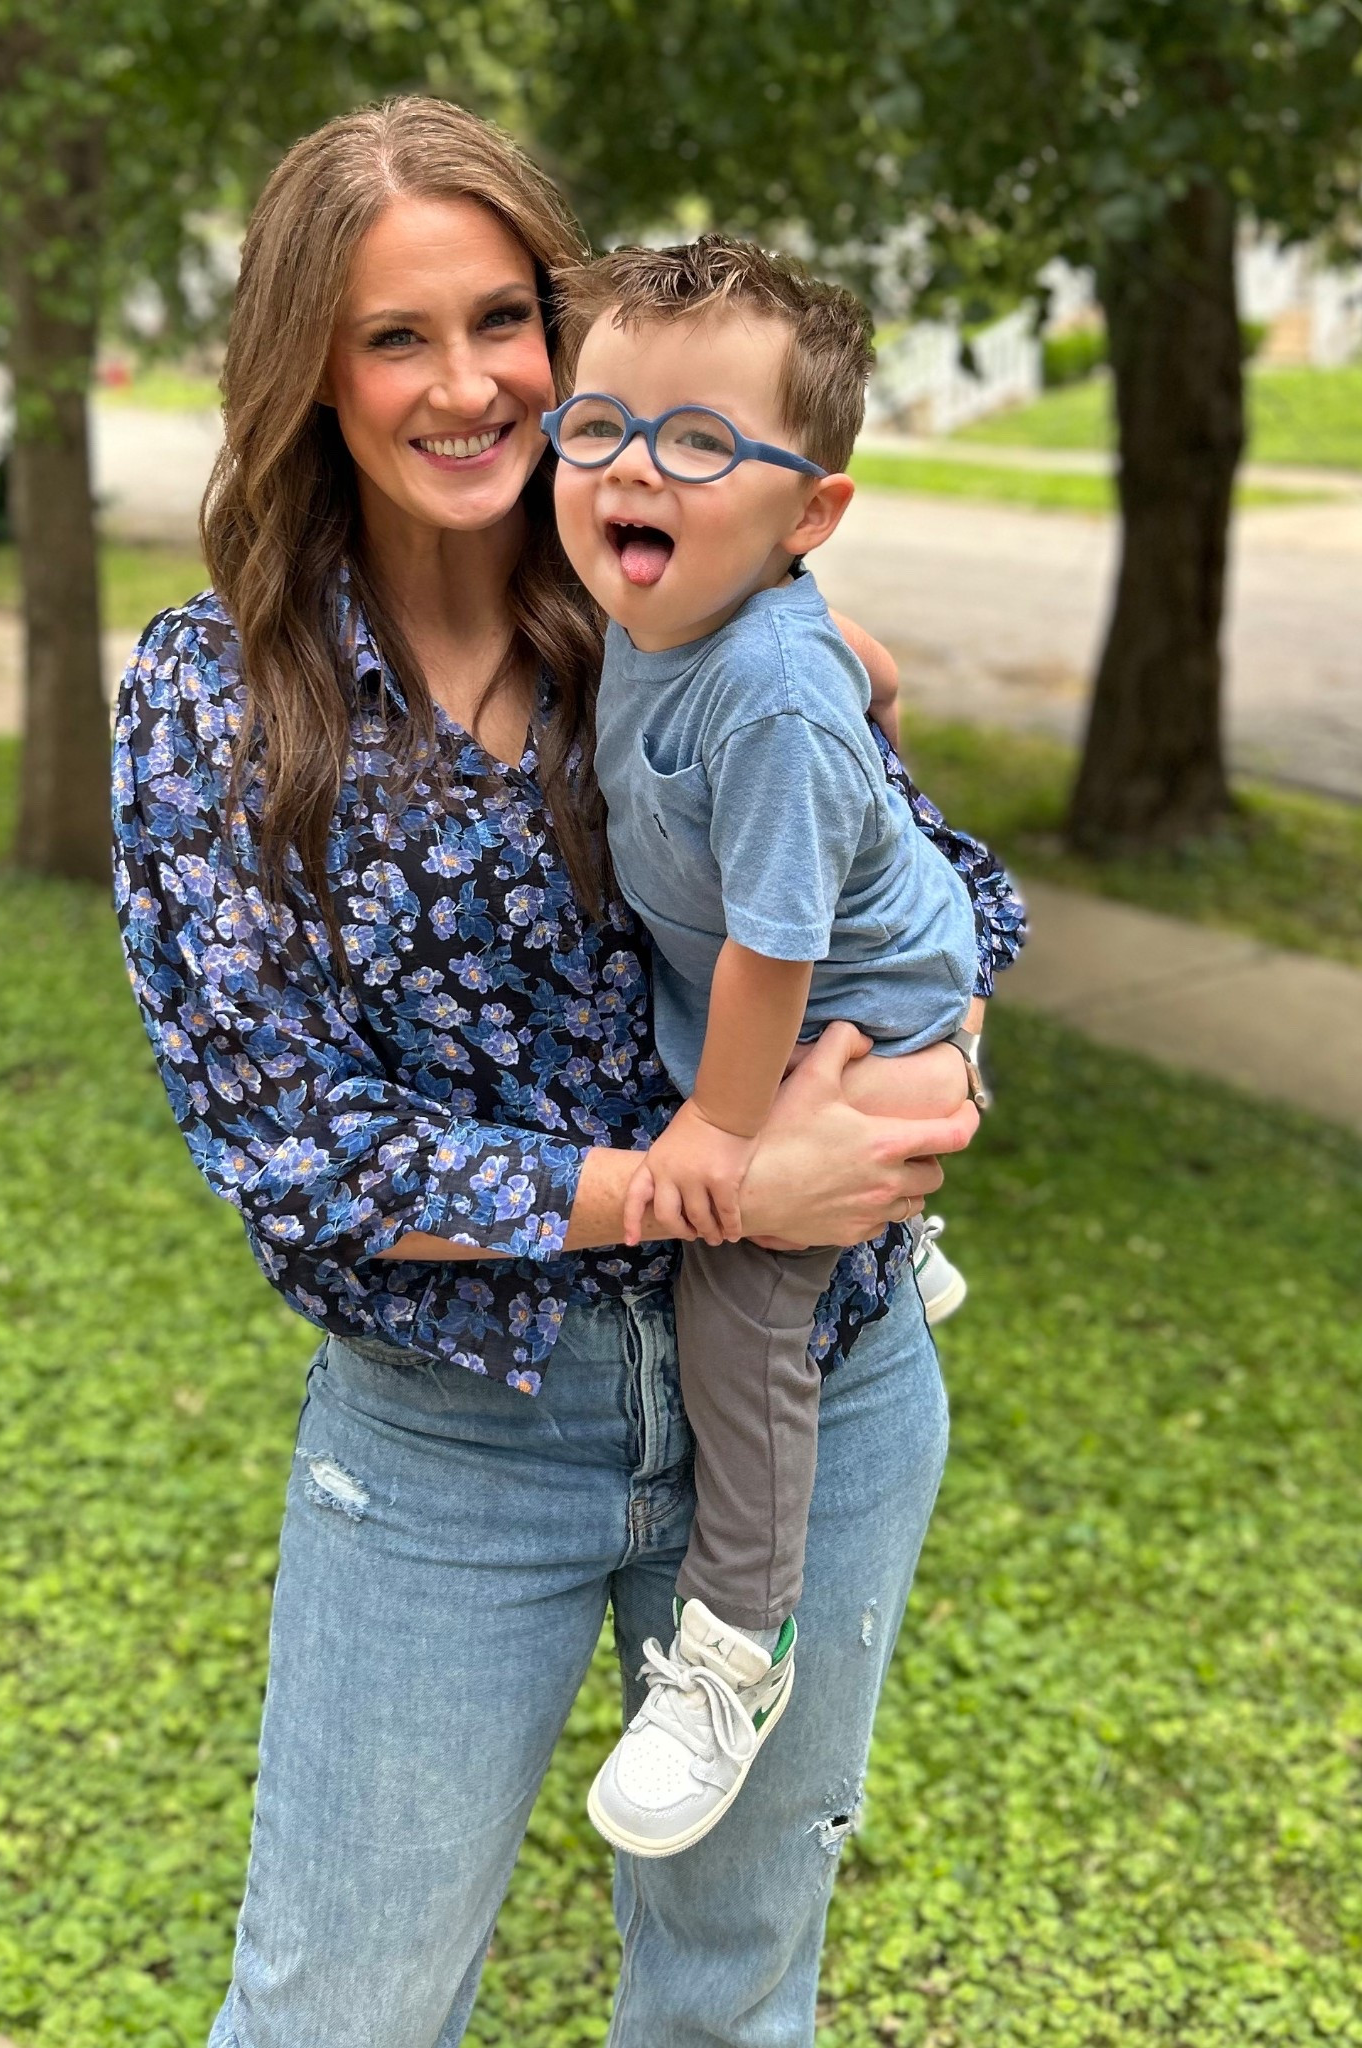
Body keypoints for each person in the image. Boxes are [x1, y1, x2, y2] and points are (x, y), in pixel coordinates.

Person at [111, 95, 1025, 2048]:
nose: (468, 385)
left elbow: (933, 886)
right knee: (335, 2013)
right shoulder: (218, 699)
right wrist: (724, 1181)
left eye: (502, 320)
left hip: (815, 1391)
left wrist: (924, 1067)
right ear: (310, 373)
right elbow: (294, 1147)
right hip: (459, 1435)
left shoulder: (685, 603)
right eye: (395, 335)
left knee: (729, 1995)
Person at [544, 235, 1008, 1861]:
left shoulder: (759, 699)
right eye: (599, 427)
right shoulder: (669, 603)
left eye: (697, 442)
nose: (631, 470)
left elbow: (774, 950)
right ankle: (901, 1240)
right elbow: (857, 661)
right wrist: (869, 672)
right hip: (817, 991)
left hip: (854, 1010)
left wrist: (719, 1146)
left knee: (732, 1292)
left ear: (808, 515)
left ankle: (740, 1640)